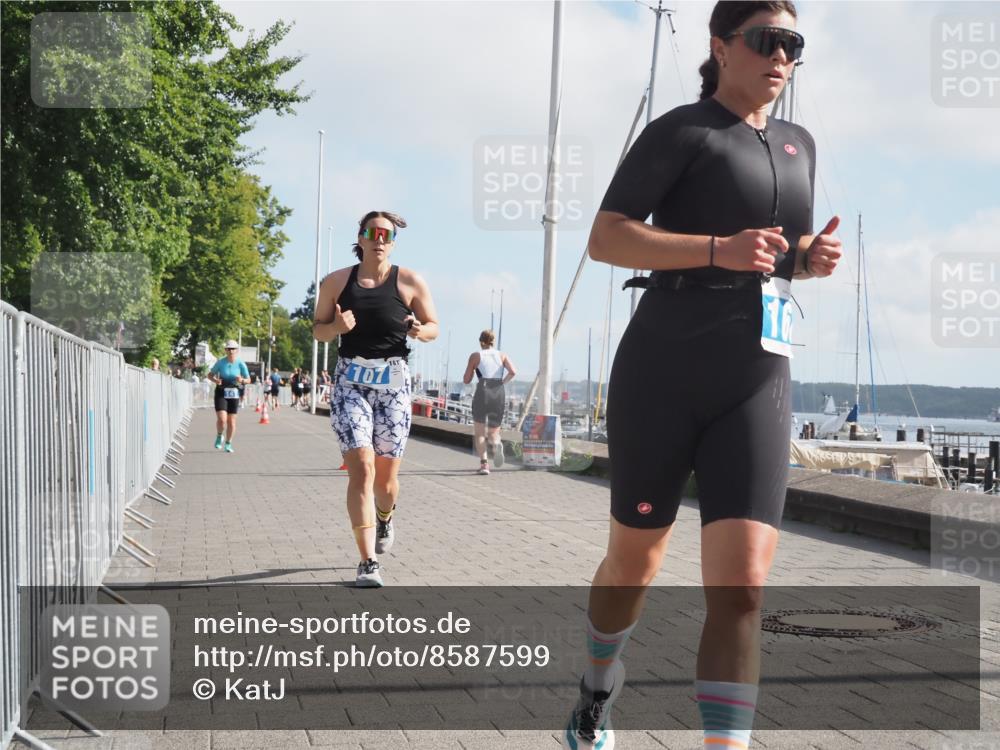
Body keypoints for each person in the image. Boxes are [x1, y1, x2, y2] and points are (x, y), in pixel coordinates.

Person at [561, 3, 842, 749]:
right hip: (665, 368)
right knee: (635, 561)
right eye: (767, 40)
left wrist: (807, 259)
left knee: (743, 585)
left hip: (756, 374)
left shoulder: (799, 144)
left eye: (794, 44)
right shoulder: (682, 130)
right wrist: (718, 249)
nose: (782, 56)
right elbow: (606, 237)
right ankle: (597, 686)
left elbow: (778, 250)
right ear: (721, 46)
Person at [313, 211, 439, 587]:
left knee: (385, 482)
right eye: (373, 233)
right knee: (363, 469)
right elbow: (318, 330)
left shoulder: (410, 282)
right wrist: (336, 328)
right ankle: (367, 561)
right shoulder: (336, 282)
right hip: (350, 382)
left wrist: (419, 330)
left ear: (393, 243)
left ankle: (385, 517)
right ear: (361, 238)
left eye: (387, 235)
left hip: (394, 384)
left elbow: (433, 327)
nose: (380, 240)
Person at [462, 330, 517, 475]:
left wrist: (473, 371)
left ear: (481, 342)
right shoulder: (502, 355)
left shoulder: (476, 356)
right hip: (498, 392)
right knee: (493, 432)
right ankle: (497, 445)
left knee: (480, 433)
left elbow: (466, 380)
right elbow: (513, 371)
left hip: (483, 391)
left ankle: (484, 465)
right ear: (493, 341)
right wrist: (502, 382)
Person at [208, 340, 251, 453]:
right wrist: (215, 380)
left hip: (234, 393)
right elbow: (210, 375)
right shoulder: (220, 362)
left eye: (233, 349)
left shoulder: (241, 363)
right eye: (228, 349)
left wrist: (242, 380)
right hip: (221, 392)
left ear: (237, 350)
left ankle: (228, 443)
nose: (231, 351)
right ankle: (219, 435)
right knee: (222, 419)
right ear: (225, 350)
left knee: (231, 421)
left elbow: (248, 380)